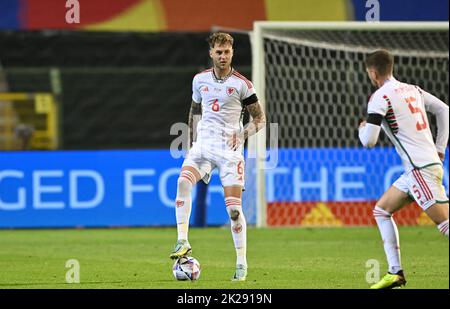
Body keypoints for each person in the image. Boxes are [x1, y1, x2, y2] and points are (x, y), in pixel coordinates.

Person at [169, 32, 266, 281]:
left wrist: (244, 134)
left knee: (233, 211)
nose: (223, 56)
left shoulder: (242, 85)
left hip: (230, 153)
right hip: (203, 146)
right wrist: (190, 141)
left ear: (232, 53)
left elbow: (260, 119)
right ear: (211, 53)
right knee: (182, 182)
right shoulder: (199, 80)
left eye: (227, 52)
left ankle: (241, 264)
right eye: (219, 52)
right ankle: (182, 241)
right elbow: (194, 110)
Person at [358, 49, 449, 289]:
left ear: (372, 72)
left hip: (420, 170)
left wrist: (362, 128)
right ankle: (395, 272)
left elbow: (369, 141)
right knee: (381, 210)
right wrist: (440, 148)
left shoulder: (380, 97)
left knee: (446, 225)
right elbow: (444, 110)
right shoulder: (413, 90)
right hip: (418, 169)